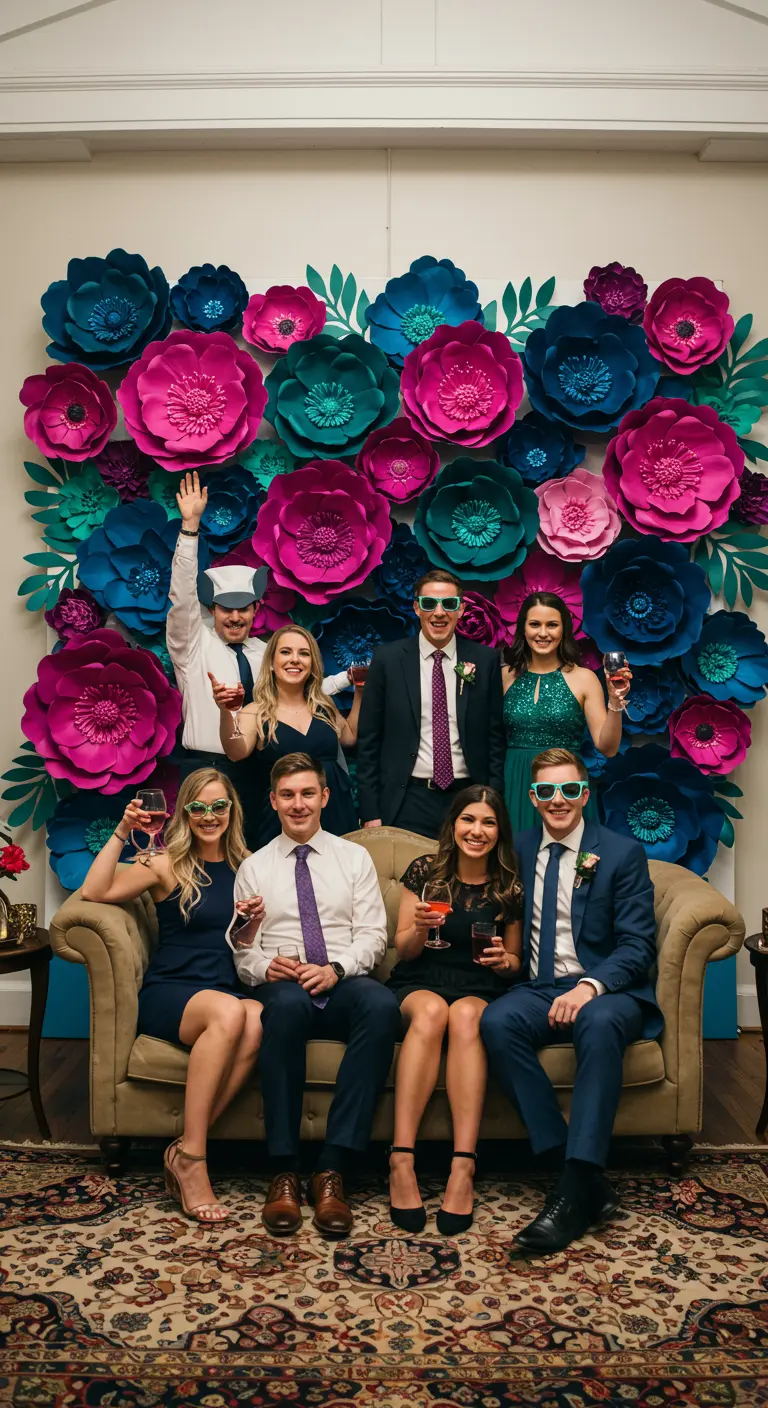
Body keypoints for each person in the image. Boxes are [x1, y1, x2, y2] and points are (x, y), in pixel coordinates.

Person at [480, 748, 662, 1254]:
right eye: (544, 791)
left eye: (567, 789)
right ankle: (578, 1176)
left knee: (599, 1024)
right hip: (538, 989)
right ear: (533, 799)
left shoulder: (621, 853)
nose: (556, 800)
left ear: (585, 793)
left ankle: (571, 1189)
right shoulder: (515, 850)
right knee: (496, 1022)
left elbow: (637, 946)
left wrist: (590, 987)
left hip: (607, 989)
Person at [229, 752, 400, 1238]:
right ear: (273, 801)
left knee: (383, 1005)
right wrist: (266, 966)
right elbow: (243, 952)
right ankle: (283, 1170)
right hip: (287, 988)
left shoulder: (354, 858)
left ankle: (332, 1168)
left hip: (342, 981)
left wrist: (337, 969)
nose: (298, 804)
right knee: (279, 1008)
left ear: (325, 797)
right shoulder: (255, 867)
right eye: (287, 795)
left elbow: (372, 935)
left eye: (308, 793)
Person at [80, 768, 263, 1224]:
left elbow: (243, 944)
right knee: (229, 1012)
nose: (209, 816)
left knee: (256, 1015)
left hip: (224, 986)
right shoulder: (165, 863)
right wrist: (124, 831)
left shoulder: (251, 865)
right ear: (184, 812)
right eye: (198, 807)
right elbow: (95, 890)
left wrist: (250, 926)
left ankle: (182, 1147)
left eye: (219, 806)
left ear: (232, 810)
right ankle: (196, 1164)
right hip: (174, 990)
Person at [387, 785, 523, 1235]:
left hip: (480, 986)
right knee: (430, 1014)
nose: (476, 831)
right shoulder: (425, 872)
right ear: (453, 824)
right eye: (468, 820)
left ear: (498, 830)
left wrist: (506, 961)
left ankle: (463, 1168)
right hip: (420, 981)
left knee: (464, 1015)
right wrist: (421, 930)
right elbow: (403, 951)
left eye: (487, 822)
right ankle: (401, 1160)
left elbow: (514, 963)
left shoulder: (509, 884)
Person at [167, 472, 349, 780]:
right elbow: (183, 596)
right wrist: (189, 529)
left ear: (256, 610)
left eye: (243, 609)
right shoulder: (192, 645)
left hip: (264, 771)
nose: (235, 617)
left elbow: (305, 690)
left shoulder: (267, 653)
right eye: (226, 609)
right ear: (213, 610)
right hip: (208, 768)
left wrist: (348, 678)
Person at [357, 569, 505, 840]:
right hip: (407, 798)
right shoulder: (388, 660)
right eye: (429, 604)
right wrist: (370, 811)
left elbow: (495, 739)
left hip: (470, 799)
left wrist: (492, 801)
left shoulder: (484, 661)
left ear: (460, 609)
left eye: (449, 604)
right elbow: (369, 741)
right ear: (416, 607)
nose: (439, 612)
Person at [210, 625, 362, 848]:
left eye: (303, 653)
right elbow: (236, 752)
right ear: (271, 663)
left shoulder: (324, 705)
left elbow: (349, 738)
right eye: (285, 652)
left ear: (312, 665)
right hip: (282, 818)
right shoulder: (256, 711)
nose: (295, 659)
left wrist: (359, 692)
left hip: (335, 809)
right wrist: (226, 711)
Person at [502, 592, 631, 834]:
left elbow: (608, 747)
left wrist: (615, 702)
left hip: (566, 786)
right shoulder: (505, 677)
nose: (543, 633)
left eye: (552, 625)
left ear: (564, 630)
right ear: (523, 629)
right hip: (515, 782)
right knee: (516, 860)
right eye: (534, 624)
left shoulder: (584, 678)